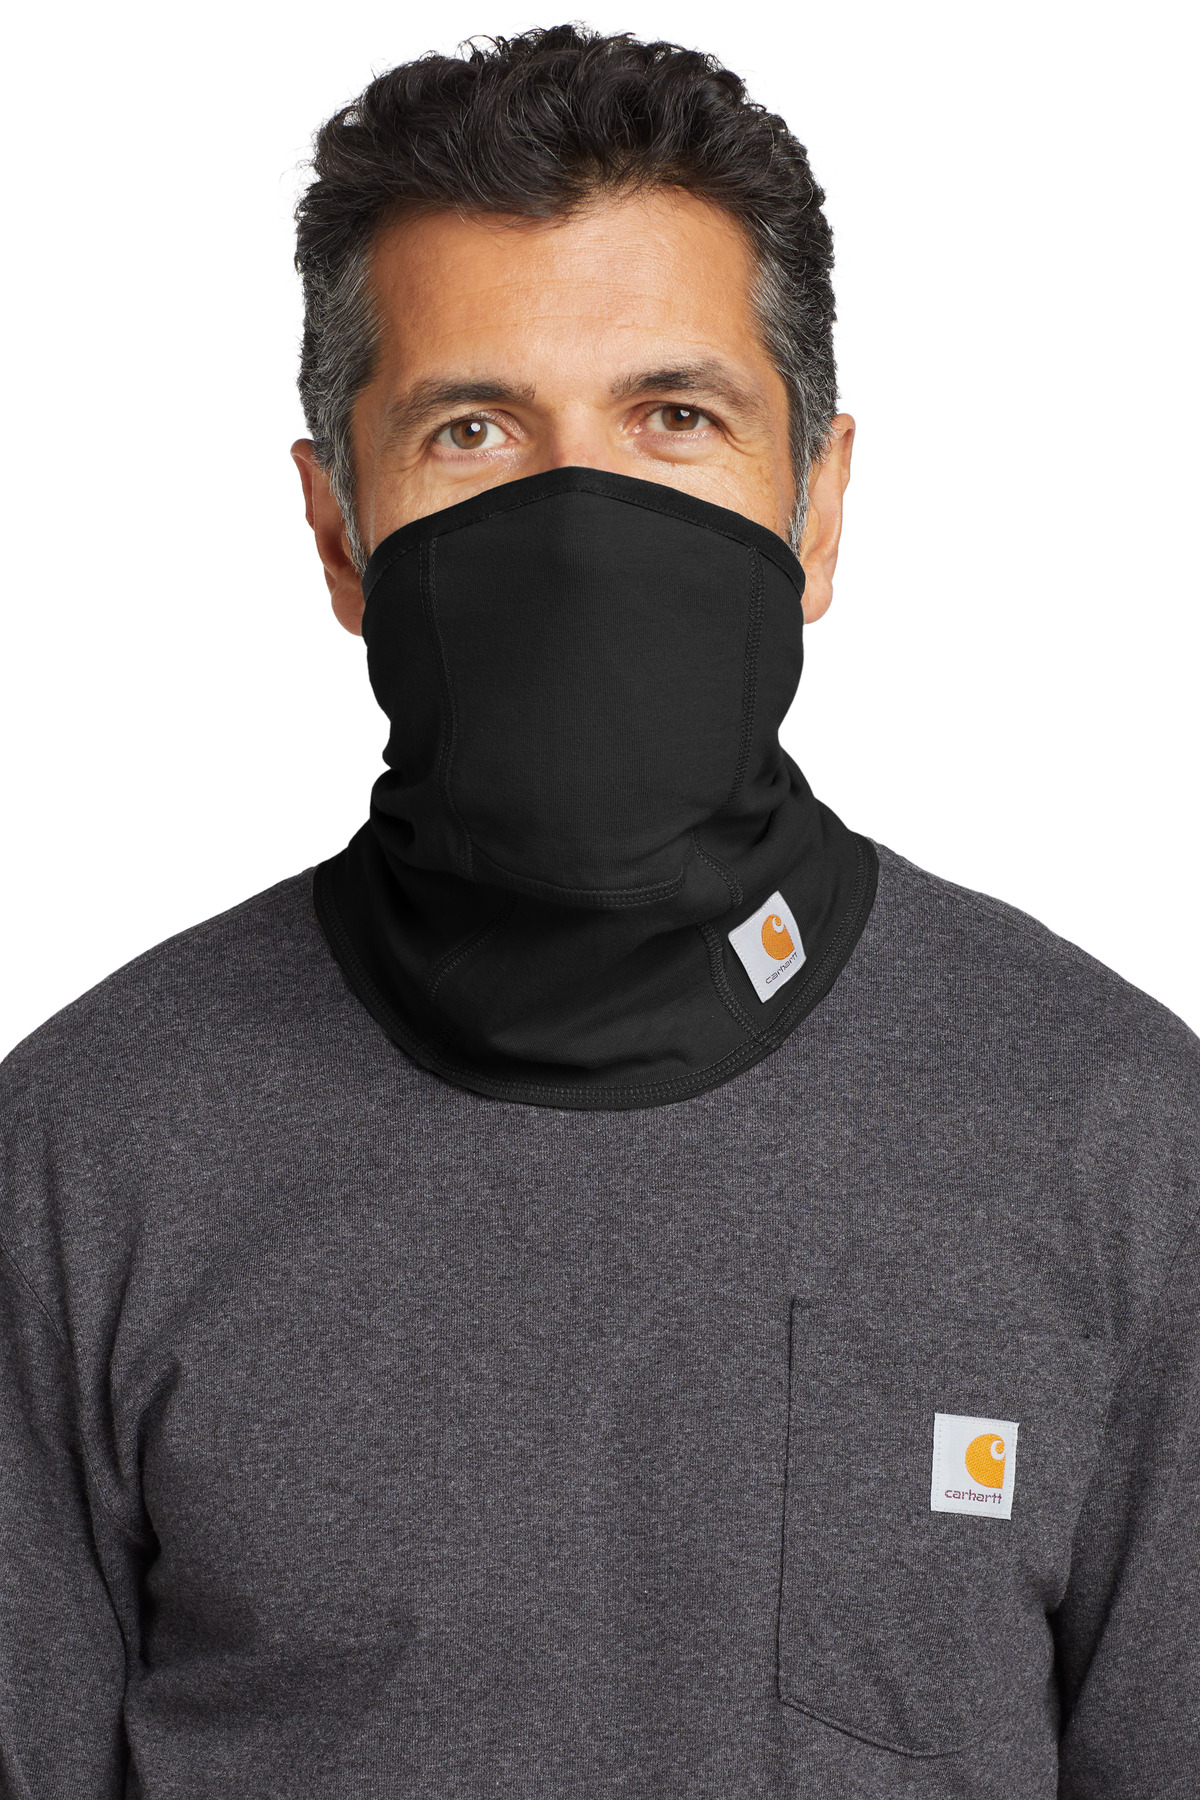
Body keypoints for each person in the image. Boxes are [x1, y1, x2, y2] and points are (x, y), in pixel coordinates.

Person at [1, 24, 1195, 1799]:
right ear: (337, 529)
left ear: (818, 506)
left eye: (675, 419)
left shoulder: (1118, 1137)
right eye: (472, 430)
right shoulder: (82, 1154)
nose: (578, 524)